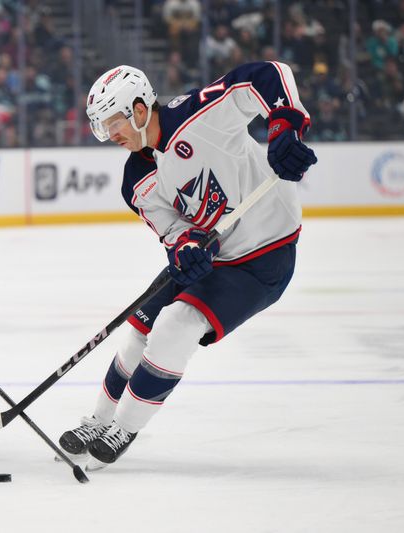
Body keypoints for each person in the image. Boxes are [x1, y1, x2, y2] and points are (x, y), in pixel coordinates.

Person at [59, 63, 317, 468]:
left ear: (140, 110)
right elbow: (172, 228)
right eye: (103, 128)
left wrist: (284, 126)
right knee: (138, 331)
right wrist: (184, 245)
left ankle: (124, 428)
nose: (111, 136)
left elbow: (268, 75)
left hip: (265, 255)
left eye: (114, 123)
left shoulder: (199, 115)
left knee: (175, 327)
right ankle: (98, 420)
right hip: (216, 256)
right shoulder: (136, 180)